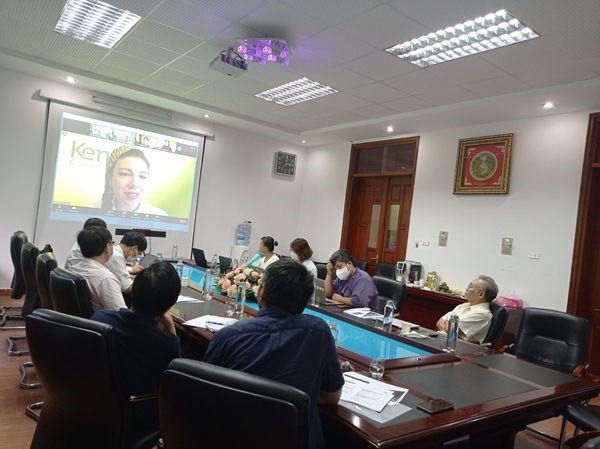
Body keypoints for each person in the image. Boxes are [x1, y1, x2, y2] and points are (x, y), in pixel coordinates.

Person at [204, 259, 344, 449]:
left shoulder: (228, 337)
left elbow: (206, 396)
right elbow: (332, 396)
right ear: (305, 300)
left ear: (261, 291)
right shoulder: (319, 331)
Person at [91, 262, 181, 430]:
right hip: (135, 414)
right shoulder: (166, 344)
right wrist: (171, 331)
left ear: (134, 291)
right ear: (172, 303)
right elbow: (172, 385)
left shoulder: (99, 319)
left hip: (92, 406)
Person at [68, 226, 126, 311]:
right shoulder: (106, 279)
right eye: (112, 243)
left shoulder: (73, 268)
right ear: (107, 247)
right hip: (101, 319)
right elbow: (120, 313)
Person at [100, 146, 167, 215]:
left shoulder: (160, 215)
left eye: (142, 176)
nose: (135, 184)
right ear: (109, 179)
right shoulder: (93, 211)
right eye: (125, 174)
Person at [435, 275, 498, 344]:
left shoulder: (482, 314)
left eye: (470, 287)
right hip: (441, 340)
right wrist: (449, 326)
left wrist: (447, 322)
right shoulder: (464, 305)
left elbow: (451, 329)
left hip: (456, 347)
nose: (466, 289)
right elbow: (439, 322)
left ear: (481, 294)